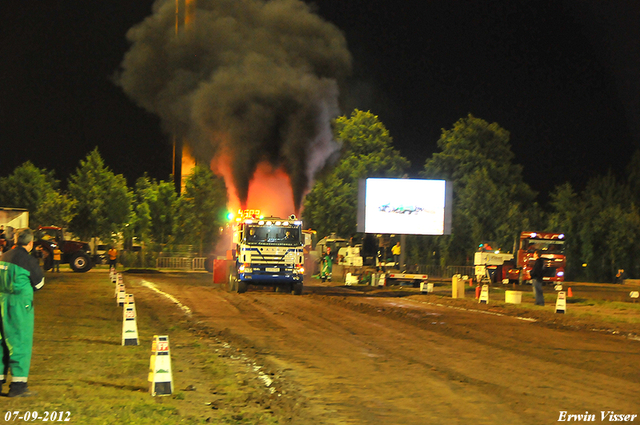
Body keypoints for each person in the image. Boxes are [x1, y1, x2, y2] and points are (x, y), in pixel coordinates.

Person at [0, 228, 45, 397]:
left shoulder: (3, 256)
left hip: (1, 302)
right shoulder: (28, 260)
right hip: (20, 305)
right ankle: (18, 386)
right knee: (20, 342)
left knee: (2, 342)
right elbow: (39, 284)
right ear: (31, 243)